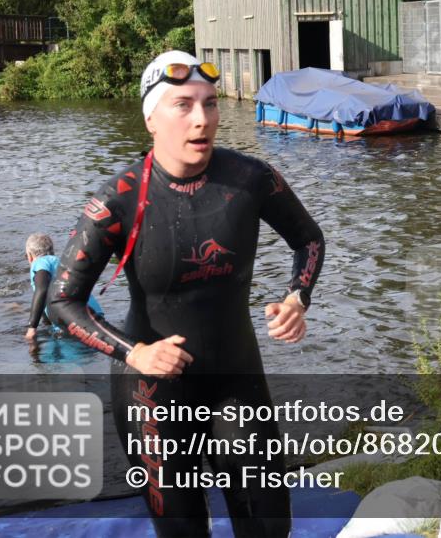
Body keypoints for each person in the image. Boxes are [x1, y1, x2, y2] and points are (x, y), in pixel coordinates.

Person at [48, 50, 325, 537]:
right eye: (183, 104)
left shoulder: (250, 179)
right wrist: (135, 353)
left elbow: (309, 239)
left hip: (235, 377)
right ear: (151, 117)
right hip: (152, 390)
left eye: (211, 103)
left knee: (269, 523)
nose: (202, 120)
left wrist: (297, 297)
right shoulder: (117, 200)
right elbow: (61, 301)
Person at [24, 232, 105, 340]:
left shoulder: (40, 263)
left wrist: (31, 328)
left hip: (74, 321)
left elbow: (42, 290)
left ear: (30, 256)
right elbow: (44, 302)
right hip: (96, 315)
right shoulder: (62, 262)